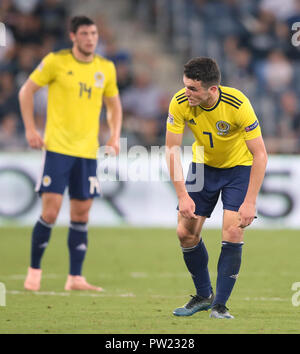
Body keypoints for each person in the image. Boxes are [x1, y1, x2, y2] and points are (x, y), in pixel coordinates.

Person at [19, 16, 122, 292]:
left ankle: (75, 277)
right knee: (50, 212)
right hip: (58, 149)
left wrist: (114, 135)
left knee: (82, 213)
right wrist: (31, 129)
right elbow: (26, 91)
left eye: (94, 33)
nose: (91, 38)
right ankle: (34, 271)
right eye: (85, 33)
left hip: (87, 152)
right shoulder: (56, 61)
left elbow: (114, 106)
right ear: (73, 36)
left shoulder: (105, 68)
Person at [165, 57, 267, 319]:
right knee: (185, 233)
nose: (186, 93)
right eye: (185, 86)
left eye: (193, 89)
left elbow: (260, 154)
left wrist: (250, 202)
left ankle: (219, 306)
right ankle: (203, 296)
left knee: (233, 232)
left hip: (238, 169)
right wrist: (182, 194)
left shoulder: (238, 104)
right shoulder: (179, 103)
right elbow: (172, 150)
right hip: (203, 168)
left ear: (212, 89)